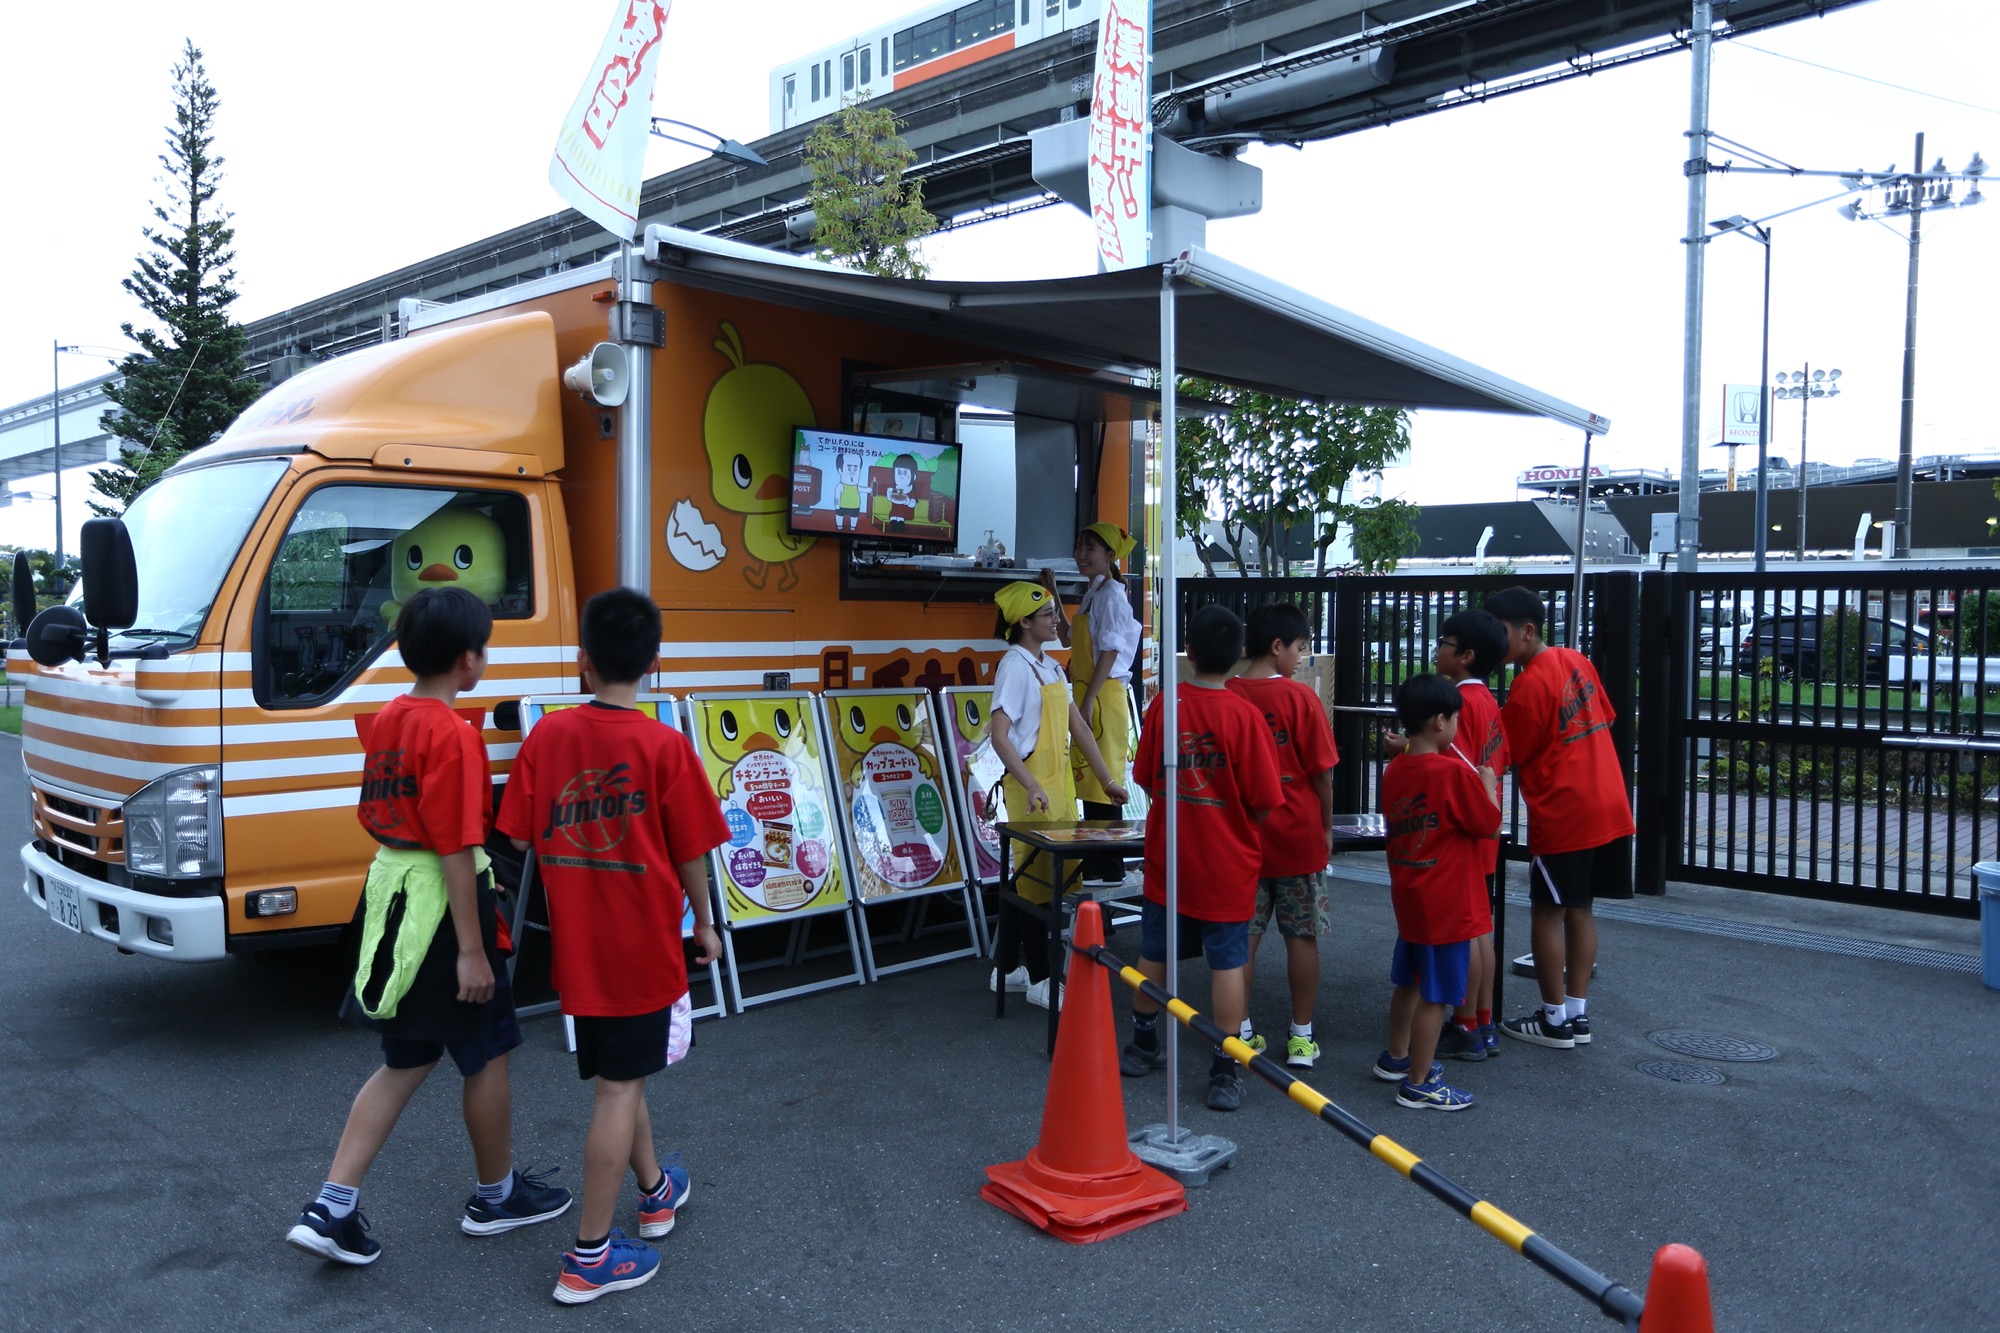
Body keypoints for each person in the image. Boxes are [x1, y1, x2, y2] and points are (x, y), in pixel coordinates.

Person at [288, 586, 571, 1266]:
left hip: (393, 896)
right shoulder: (454, 734)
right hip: (444, 908)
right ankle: (496, 1194)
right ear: (468, 659)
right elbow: (452, 845)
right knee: (488, 1050)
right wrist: (473, 950)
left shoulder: (389, 716)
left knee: (405, 1058)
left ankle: (332, 1204)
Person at [496, 587, 729, 1304]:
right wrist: (705, 919)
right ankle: (590, 1254)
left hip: (581, 949)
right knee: (620, 1086)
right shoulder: (665, 745)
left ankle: (656, 1192)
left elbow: (517, 833)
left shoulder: (547, 737)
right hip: (643, 946)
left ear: (583, 662)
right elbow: (693, 849)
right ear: (653, 662)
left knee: (623, 1078)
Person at [1118, 604, 1281, 1112]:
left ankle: (1145, 1042)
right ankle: (1223, 1069)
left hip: (1170, 855)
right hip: (1229, 864)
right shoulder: (1245, 716)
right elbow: (1264, 799)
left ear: (1187, 651)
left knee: (1155, 950)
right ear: (1238, 657)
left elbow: (1145, 776)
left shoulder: (1166, 705)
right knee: (1228, 961)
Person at [1483, 586, 1636, 1050]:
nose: (1494, 644)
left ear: (1527, 632)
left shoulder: (1529, 685)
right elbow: (1604, 719)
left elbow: (1504, 753)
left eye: (1500, 634)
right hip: (1608, 802)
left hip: (1564, 812)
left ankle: (1552, 1021)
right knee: (1582, 909)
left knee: (1547, 913)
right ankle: (1576, 1013)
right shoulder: (1576, 660)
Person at [988, 579, 1130, 1011]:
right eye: (1048, 613)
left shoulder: (1049, 666)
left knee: (1033, 878)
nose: (1056, 619)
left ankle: (1006, 967)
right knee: (1038, 884)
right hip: (1032, 788)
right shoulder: (1013, 665)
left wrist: (1107, 781)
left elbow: (1079, 727)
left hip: (1059, 788)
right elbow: (999, 736)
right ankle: (1042, 978)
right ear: (1024, 622)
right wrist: (1031, 785)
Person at [1369, 673, 1501, 1111]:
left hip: (1412, 896)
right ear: (1440, 722)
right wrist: (1486, 785)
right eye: (1457, 720)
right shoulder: (1452, 773)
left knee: (1409, 980)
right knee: (1439, 994)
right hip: (1448, 903)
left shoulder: (1395, 769)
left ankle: (1397, 1056)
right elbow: (1486, 824)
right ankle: (1420, 1081)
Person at [1390, 609, 1511, 1063]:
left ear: (1466, 655)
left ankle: (1464, 1023)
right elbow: (1494, 761)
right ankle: (1481, 1020)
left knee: (1470, 932)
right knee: (1480, 928)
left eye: (1444, 641)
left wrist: (1402, 749)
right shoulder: (1488, 703)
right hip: (1470, 825)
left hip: (1458, 835)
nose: (1437, 648)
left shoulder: (1458, 704)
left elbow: (1447, 769)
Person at [1226, 600, 1338, 1068]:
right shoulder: (1300, 699)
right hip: (1298, 838)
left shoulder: (1225, 694)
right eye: (1300, 648)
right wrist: (1327, 829)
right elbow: (1323, 775)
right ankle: (1301, 1036)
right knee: (1302, 938)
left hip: (1240, 840)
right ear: (1277, 647)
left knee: (1242, 940)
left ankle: (1242, 1031)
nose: (1301, 657)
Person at [1045, 522, 1142, 888]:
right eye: (1080, 547)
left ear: (1109, 557)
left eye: (1090, 549)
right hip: (1088, 691)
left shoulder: (1113, 595)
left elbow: (1112, 651)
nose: (1081, 555)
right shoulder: (1092, 594)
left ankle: (1111, 865)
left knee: (1107, 780)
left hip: (1104, 694)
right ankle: (1097, 861)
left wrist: (1086, 701)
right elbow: (1069, 639)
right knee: (1088, 779)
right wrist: (1052, 592)